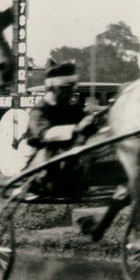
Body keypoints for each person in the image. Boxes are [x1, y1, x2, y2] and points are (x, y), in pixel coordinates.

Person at [24, 61, 97, 196]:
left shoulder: (72, 107)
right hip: (43, 164)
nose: (72, 92)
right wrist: (77, 128)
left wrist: (93, 122)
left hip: (69, 161)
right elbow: (44, 134)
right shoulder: (39, 110)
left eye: (73, 88)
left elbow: (88, 128)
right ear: (54, 88)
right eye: (67, 88)